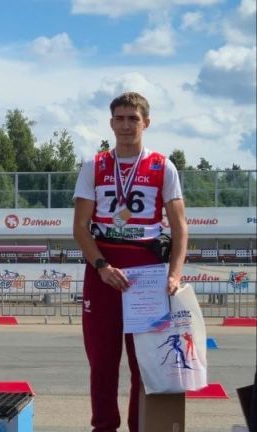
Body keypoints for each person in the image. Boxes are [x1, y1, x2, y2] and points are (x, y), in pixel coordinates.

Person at [72, 92, 188, 432]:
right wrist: (101, 266)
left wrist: (174, 274)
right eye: (119, 118)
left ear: (146, 123)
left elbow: (180, 227)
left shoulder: (163, 166)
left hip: (146, 270)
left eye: (133, 119)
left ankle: (141, 426)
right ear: (111, 123)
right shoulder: (94, 166)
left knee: (145, 364)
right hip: (104, 270)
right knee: (102, 362)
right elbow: (80, 227)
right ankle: (103, 426)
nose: (126, 125)